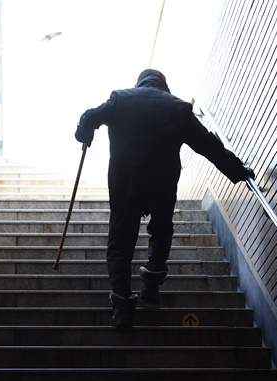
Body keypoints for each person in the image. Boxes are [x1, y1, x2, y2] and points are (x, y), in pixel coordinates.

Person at [75, 69, 254, 329]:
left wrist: (84, 133)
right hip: (162, 181)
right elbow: (209, 146)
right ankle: (151, 283)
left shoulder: (121, 99)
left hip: (125, 180)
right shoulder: (178, 108)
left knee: (120, 243)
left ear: (140, 83)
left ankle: (123, 306)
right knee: (161, 228)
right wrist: (239, 171)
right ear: (164, 86)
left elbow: (89, 116)